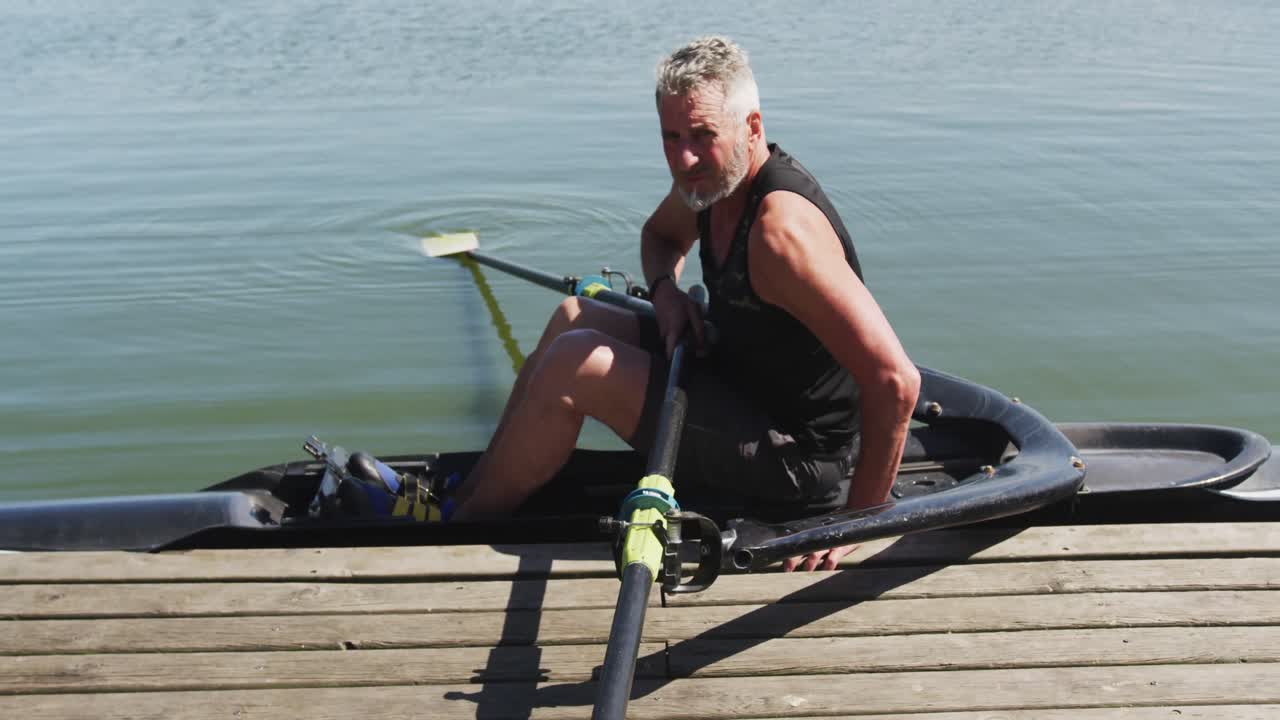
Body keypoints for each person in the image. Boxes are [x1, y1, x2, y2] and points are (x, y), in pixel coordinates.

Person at [452, 36, 919, 572]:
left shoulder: (779, 236)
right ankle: (476, 487)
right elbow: (659, 238)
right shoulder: (712, 182)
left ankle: (462, 525)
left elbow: (896, 382)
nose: (684, 158)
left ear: (753, 128)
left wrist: (862, 521)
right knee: (573, 317)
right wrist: (667, 295)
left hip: (801, 462)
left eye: (702, 136)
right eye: (670, 137)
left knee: (574, 365)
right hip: (741, 381)